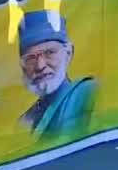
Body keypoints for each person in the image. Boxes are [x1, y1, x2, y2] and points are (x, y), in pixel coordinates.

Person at [17, 10, 97, 140]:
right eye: (31, 58)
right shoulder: (26, 119)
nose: (40, 65)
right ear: (23, 66)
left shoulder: (88, 92)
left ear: (69, 53)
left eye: (50, 52)